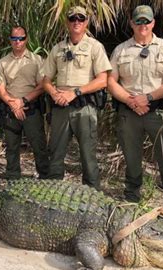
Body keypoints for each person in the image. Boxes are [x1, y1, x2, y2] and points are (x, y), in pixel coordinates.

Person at [108, 5, 163, 204]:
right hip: (129, 112)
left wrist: (147, 98)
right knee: (131, 156)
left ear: (153, 23)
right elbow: (111, 81)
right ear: (132, 23)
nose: (143, 25)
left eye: (147, 21)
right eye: (138, 21)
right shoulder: (120, 50)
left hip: (157, 113)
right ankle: (132, 196)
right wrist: (131, 101)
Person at [41, 6, 112, 189]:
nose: (76, 22)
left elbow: (103, 80)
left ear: (86, 22)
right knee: (56, 153)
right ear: (67, 22)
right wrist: (55, 93)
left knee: (88, 154)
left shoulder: (95, 47)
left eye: (81, 18)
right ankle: (53, 191)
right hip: (61, 107)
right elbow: (46, 79)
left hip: (84, 108)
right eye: (73, 18)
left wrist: (75, 92)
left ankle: (92, 194)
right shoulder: (58, 48)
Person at [0, 26, 50, 179]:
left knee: (39, 146)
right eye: (14, 38)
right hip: (11, 110)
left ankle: (45, 178)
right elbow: (0, 87)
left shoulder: (37, 60)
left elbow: (42, 86)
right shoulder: (4, 62)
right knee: (11, 148)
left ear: (26, 39)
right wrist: (12, 104)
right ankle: (13, 179)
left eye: (21, 38)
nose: (17, 41)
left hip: (31, 109)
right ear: (10, 40)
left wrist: (23, 101)